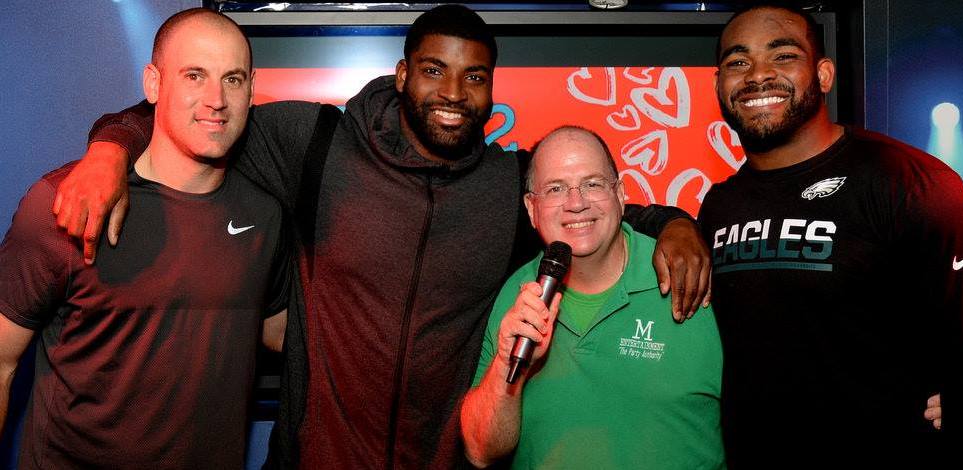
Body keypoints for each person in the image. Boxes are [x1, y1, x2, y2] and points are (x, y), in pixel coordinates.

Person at [53, 5, 713, 468]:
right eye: (434, 70)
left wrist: (674, 224)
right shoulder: (316, 144)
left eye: (474, 77)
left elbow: (588, 208)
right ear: (402, 76)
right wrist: (110, 149)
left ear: (491, 89)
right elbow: (199, 117)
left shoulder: (505, 188)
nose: (453, 92)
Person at [700, 4, 963, 467]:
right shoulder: (719, 206)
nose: (758, 75)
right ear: (718, 85)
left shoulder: (909, 181)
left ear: (824, 74)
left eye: (783, 55)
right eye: (738, 61)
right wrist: (670, 224)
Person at [0, 9, 289, 469]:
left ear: (251, 89)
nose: (216, 99)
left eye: (232, 79)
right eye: (194, 75)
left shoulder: (263, 215)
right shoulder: (68, 202)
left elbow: (279, 329)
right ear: (153, 83)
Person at [461, 126, 725, 469]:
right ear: (531, 208)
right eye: (555, 189)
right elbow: (480, 451)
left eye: (593, 184)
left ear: (620, 194)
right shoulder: (518, 293)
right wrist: (505, 365)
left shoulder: (686, 275)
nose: (576, 203)